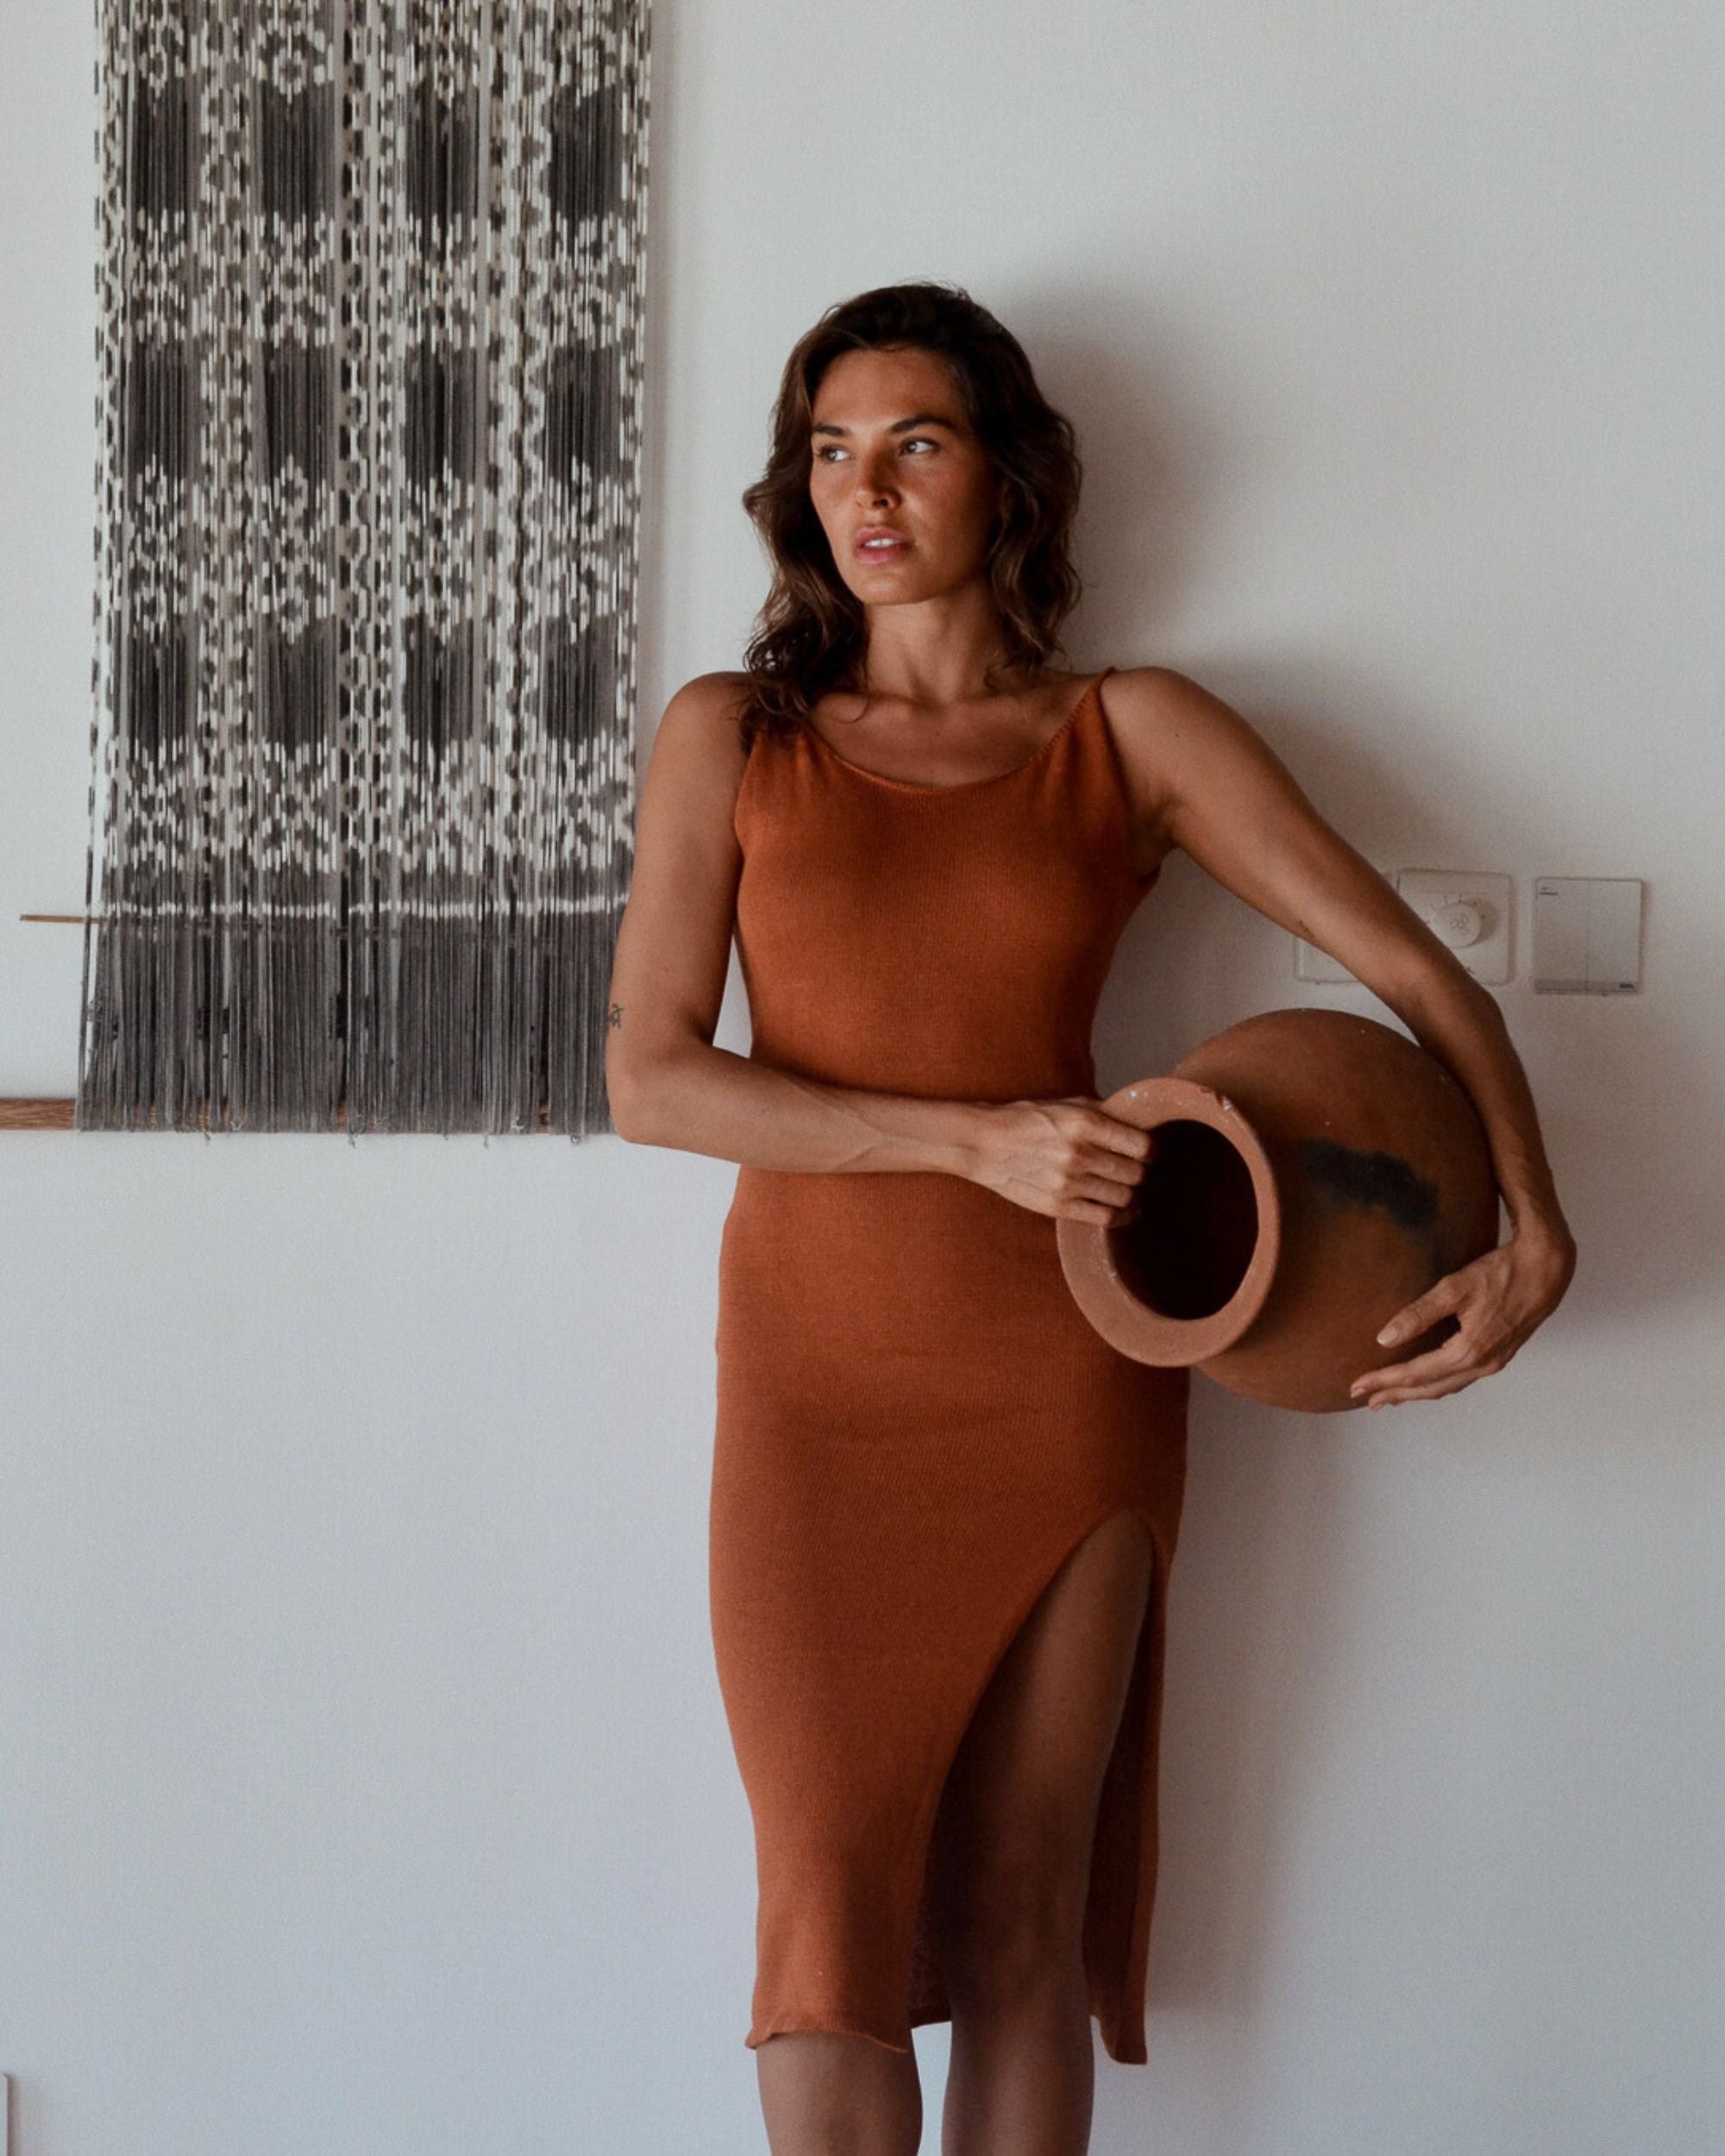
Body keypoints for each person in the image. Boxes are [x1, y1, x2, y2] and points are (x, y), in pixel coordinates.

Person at [604, 280, 1575, 2156]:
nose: (864, 491)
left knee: (1023, 1921)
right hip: (814, 1381)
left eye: (916, 443)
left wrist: (1535, 1221)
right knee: (825, 1916)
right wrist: (974, 1145)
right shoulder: (737, 734)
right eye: (828, 451)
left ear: (1011, 479)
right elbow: (653, 1078)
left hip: (1072, 1380)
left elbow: (1415, 969)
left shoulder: (1125, 732)